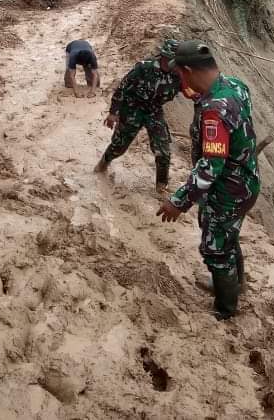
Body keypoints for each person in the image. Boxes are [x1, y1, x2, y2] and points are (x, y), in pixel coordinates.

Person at [156, 41, 260, 320]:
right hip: (245, 180)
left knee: (215, 249)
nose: (180, 82)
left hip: (228, 189)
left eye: (180, 75)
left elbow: (211, 167)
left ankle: (226, 309)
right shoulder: (235, 85)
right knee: (227, 235)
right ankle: (236, 286)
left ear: (188, 70)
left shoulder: (215, 109)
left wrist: (178, 201)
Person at [95, 39, 180, 193]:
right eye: (170, 60)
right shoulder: (144, 67)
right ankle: (104, 163)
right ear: (163, 56)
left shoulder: (178, 74)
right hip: (133, 108)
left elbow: (192, 90)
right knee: (119, 146)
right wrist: (113, 113)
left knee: (163, 150)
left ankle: (161, 186)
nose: (173, 64)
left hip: (154, 111)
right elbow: (122, 88)